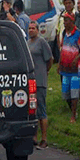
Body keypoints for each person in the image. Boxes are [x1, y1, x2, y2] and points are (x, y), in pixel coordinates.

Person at [57, 12, 80, 123]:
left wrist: (77, 58)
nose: (64, 23)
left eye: (66, 20)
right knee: (66, 93)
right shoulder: (65, 33)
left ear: (72, 21)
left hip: (75, 69)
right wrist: (59, 63)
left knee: (74, 92)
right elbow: (62, 48)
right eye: (64, 20)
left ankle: (74, 115)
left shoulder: (78, 34)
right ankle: (73, 110)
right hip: (65, 68)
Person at [28, 21, 53, 150]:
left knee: (41, 110)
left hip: (40, 81)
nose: (31, 30)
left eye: (33, 28)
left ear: (37, 30)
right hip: (31, 82)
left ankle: (44, 139)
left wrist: (45, 71)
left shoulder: (42, 42)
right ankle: (34, 138)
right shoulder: (28, 43)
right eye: (29, 28)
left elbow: (50, 59)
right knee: (33, 110)